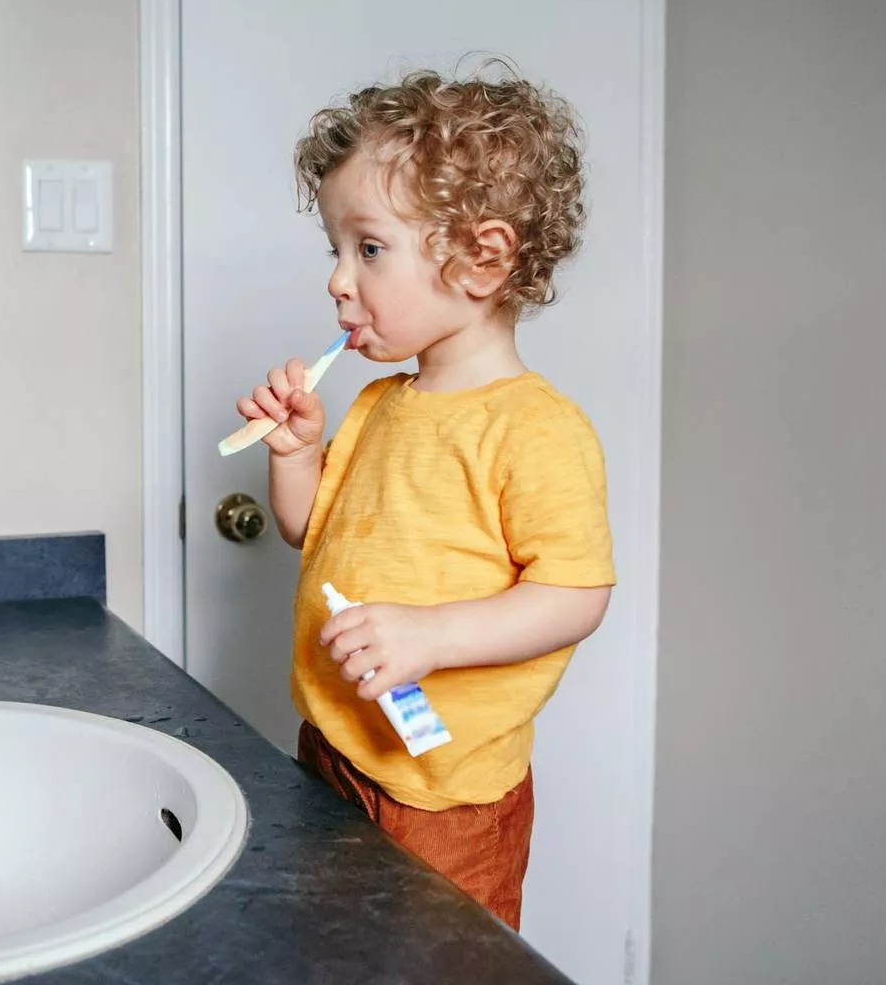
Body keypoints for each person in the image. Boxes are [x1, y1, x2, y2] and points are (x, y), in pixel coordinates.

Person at [234, 63, 616, 930]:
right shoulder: (380, 403)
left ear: (483, 259)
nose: (338, 280)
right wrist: (296, 455)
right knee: (331, 955)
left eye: (368, 249)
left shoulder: (535, 428)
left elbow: (577, 595)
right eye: (335, 251)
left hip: (447, 797)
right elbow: (310, 532)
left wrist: (431, 636)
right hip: (334, 749)